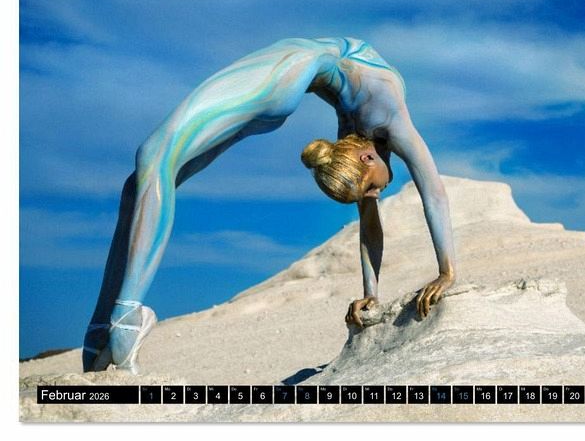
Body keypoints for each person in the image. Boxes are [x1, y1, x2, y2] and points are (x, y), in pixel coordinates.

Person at [82, 37, 456, 374]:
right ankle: (123, 321)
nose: (375, 196)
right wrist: (446, 271)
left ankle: (102, 330)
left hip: (289, 78)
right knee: (153, 159)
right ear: (366, 159)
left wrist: (371, 294)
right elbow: (434, 191)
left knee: (149, 173)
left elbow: (369, 225)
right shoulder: (390, 121)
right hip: (289, 68)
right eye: (370, 190)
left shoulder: (357, 140)